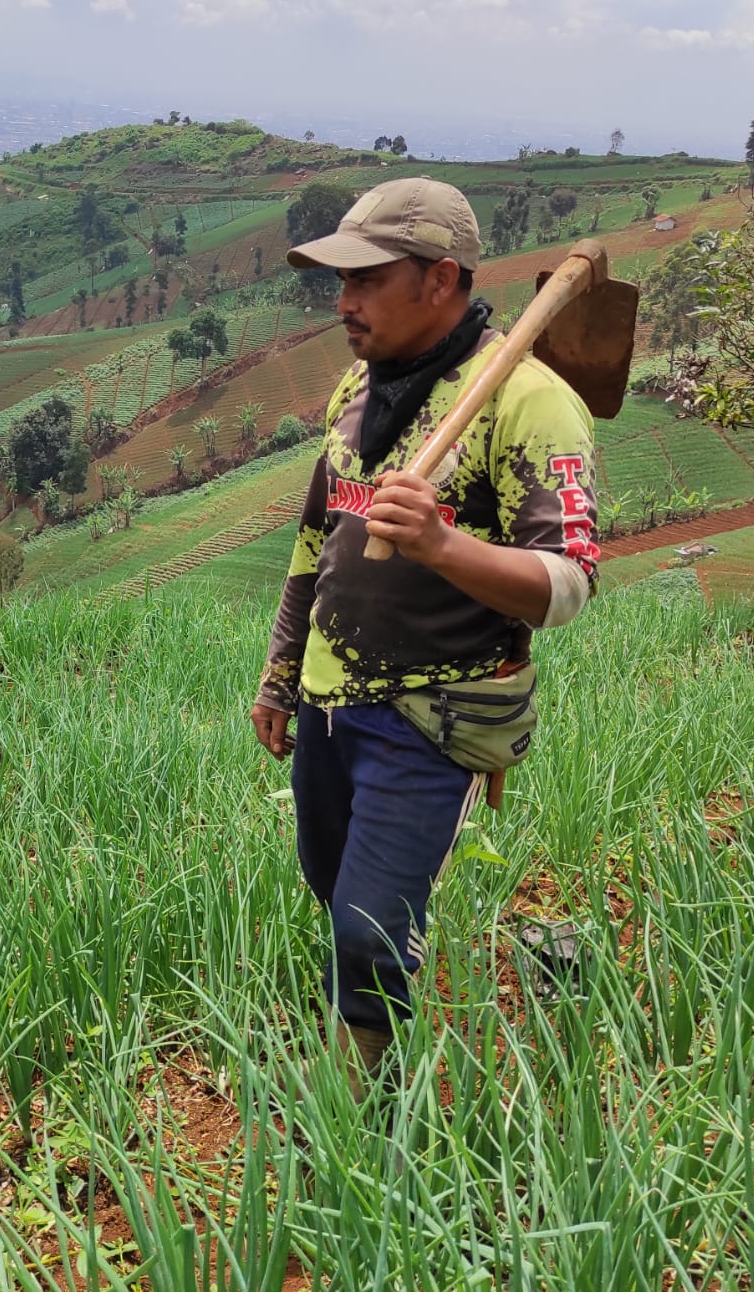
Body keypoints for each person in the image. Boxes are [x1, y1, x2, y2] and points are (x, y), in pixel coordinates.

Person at [249, 178, 599, 1093]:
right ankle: (377, 1017)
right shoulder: (357, 389)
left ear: (440, 278)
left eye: (367, 279)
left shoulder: (530, 401)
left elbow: (567, 583)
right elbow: (315, 537)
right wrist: (281, 670)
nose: (344, 302)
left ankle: (357, 1114)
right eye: (340, 280)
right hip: (329, 703)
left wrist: (443, 544)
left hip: (430, 717)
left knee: (367, 925)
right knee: (334, 889)